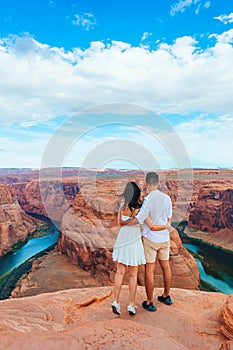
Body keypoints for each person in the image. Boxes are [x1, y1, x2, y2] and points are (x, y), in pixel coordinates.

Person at [112, 181, 171, 316]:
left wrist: (124, 222)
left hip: (122, 238)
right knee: (133, 275)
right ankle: (131, 305)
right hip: (134, 239)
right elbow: (143, 221)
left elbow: (118, 224)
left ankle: (115, 301)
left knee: (120, 273)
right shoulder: (140, 208)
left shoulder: (122, 205)